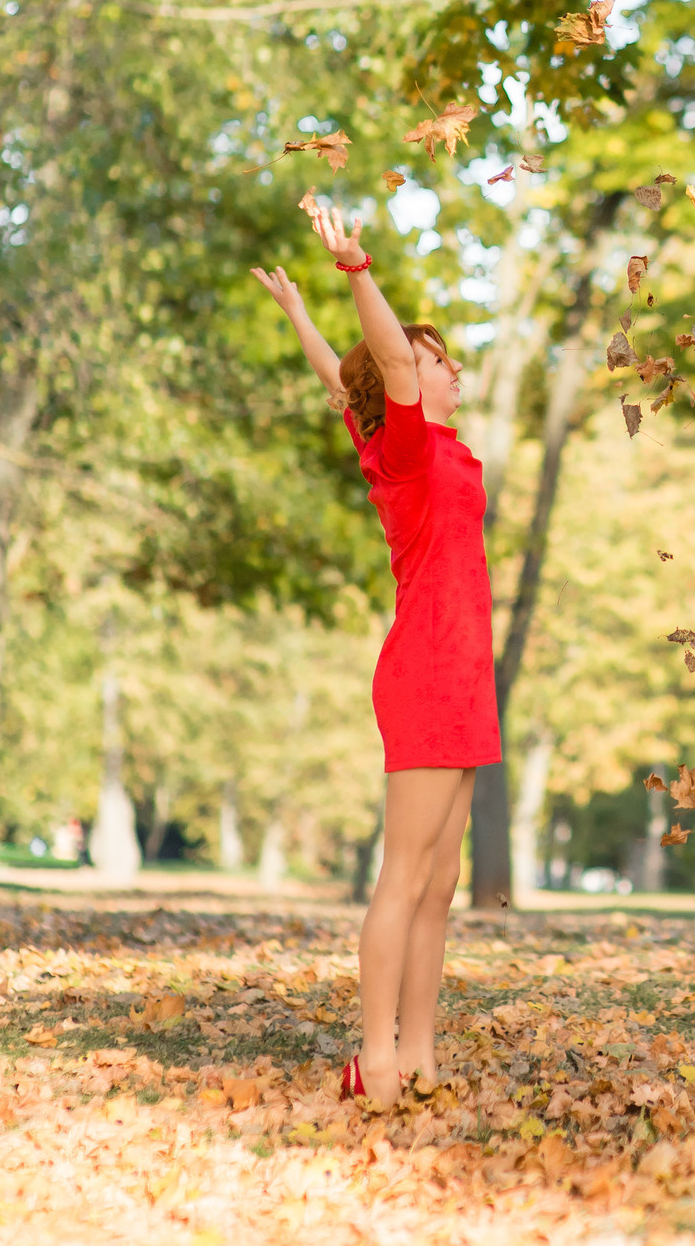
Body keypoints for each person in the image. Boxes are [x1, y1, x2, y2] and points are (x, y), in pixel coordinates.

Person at [253, 199, 498, 1109]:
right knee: (404, 875)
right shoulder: (404, 449)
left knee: (442, 881)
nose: (449, 364)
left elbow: (343, 377)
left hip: (467, 675)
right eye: (440, 357)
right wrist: (356, 272)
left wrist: (301, 319)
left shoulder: (421, 444)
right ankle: (375, 1059)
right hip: (428, 669)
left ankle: (422, 1054)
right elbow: (380, 363)